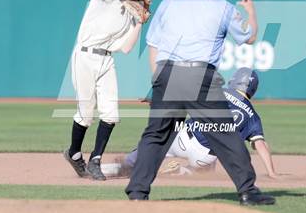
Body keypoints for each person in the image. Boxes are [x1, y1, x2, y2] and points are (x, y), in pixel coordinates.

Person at [125, 0, 275, 205]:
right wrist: (251, 12)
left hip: (167, 74)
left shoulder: (168, 3)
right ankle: (248, 190)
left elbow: (153, 44)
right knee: (224, 132)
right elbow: (248, 37)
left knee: (156, 135)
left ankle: (138, 193)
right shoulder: (223, 7)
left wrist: (156, 82)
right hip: (200, 76)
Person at [63, 0, 159, 180]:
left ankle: (95, 159)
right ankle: (74, 153)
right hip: (86, 55)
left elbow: (126, 48)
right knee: (85, 115)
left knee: (111, 115)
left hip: (106, 60)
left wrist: (139, 21)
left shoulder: (129, 9)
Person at [102, 68, 279, 179]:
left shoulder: (219, 91)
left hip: (182, 138)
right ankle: (182, 172)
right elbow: (260, 144)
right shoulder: (253, 116)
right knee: (213, 159)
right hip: (204, 157)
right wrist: (271, 172)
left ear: (234, 80)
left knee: (155, 141)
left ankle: (114, 168)